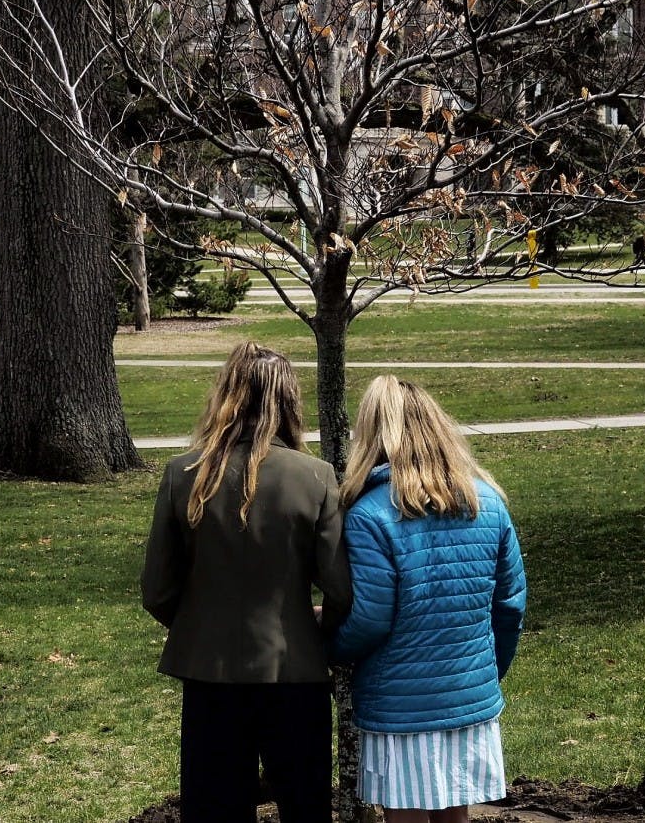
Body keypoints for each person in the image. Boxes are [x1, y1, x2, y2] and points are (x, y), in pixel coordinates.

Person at [141, 342, 352, 823]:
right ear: (289, 401)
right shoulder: (316, 476)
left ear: (226, 395)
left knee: (214, 808)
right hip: (293, 669)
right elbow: (340, 587)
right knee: (305, 807)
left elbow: (156, 589)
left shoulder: (183, 474)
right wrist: (318, 626)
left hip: (209, 672)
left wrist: (199, 621)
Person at [330, 376, 527, 823]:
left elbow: (371, 619)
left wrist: (330, 646)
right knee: (456, 814)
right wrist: (487, 673)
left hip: (399, 705)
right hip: (468, 697)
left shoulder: (370, 515)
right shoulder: (489, 504)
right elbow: (510, 604)